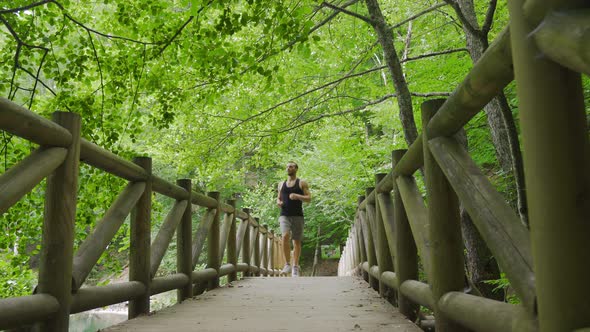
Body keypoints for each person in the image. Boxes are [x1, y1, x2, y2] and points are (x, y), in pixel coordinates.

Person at [276, 161, 311, 277]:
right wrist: (279, 202)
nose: (288, 168)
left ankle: (295, 266)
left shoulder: (301, 183)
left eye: (290, 167)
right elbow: (278, 198)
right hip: (284, 214)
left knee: (296, 241)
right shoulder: (281, 184)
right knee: (285, 236)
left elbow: (309, 198)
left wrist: (297, 196)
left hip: (297, 215)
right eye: (287, 167)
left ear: (296, 169)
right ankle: (287, 264)